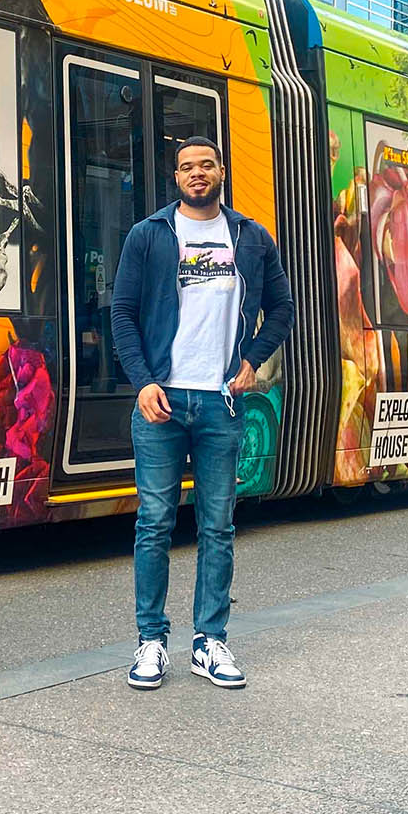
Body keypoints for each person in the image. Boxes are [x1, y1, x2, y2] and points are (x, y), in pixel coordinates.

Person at [110, 136, 294, 692]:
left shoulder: (250, 237)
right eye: (186, 167)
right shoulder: (150, 236)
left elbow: (282, 308)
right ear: (176, 177)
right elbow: (121, 313)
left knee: (218, 526)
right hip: (161, 400)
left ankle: (209, 641)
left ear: (221, 171)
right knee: (154, 525)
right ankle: (151, 641)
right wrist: (141, 383)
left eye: (205, 165)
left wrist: (254, 362)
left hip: (221, 401)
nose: (196, 174)